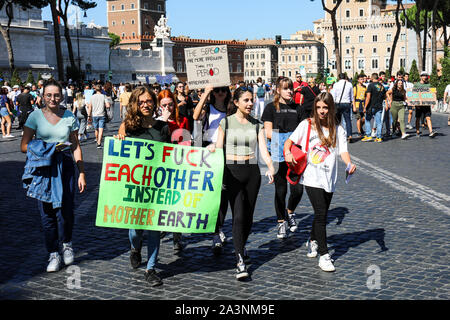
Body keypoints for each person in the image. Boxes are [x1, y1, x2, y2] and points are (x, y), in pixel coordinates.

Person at [284, 92, 356, 272]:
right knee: (322, 213)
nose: (322, 111)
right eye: (318, 108)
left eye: (325, 107)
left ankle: (312, 240)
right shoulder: (306, 125)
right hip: (311, 177)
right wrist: (288, 153)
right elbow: (288, 142)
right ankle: (324, 255)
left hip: (329, 178)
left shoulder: (337, 129)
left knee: (319, 215)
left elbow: (343, 151)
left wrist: (349, 164)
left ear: (331, 108)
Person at [20, 79, 86, 272]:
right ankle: (53, 253)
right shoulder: (34, 117)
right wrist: (49, 148)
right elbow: (24, 145)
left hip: (65, 166)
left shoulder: (69, 116)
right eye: (48, 95)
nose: (53, 98)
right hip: (43, 167)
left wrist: (81, 172)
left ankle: (66, 244)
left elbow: (76, 146)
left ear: (62, 96)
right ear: (42, 96)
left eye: (56, 95)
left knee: (66, 210)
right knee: (47, 213)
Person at [210, 87, 275, 280]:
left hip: (252, 172)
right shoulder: (226, 123)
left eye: (251, 100)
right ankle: (239, 260)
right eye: (246, 100)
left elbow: (263, 150)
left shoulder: (257, 124)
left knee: (248, 216)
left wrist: (271, 167)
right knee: (238, 215)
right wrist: (213, 148)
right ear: (236, 102)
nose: (250, 103)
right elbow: (219, 147)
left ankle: (241, 244)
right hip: (232, 172)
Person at [116, 86, 170, 287]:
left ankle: (151, 268)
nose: (146, 105)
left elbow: (169, 155)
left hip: (156, 185)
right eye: (141, 102)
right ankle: (135, 248)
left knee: (154, 227)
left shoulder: (162, 128)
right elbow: (120, 151)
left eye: (149, 101)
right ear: (135, 105)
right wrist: (119, 138)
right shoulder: (129, 127)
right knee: (136, 229)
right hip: (136, 185)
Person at [261, 77, 303, 239]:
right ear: (278, 90)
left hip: (294, 155)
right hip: (278, 154)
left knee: (298, 189)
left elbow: (302, 132)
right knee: (281, 190)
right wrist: (289, 139)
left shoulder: (297, 108)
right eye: (286, 88)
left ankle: (290, 212)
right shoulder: (270, 108)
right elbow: (268, 132)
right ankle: (281, 222)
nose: (290, 91)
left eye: (291, 88)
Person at [192, 85, 231, 252]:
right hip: (210, 152)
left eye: (223, 90)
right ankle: (215, 231)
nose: (220, 93)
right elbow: (195, 116)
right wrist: (206, 92)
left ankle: (219, 227)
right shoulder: (208, 109)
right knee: (212, 193)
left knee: (224, 194)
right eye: (217, 91)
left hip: (227, 152)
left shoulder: (232, 109)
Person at [362, 73, 386, 143]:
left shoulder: (370, 85)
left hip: (371, 106)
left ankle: (368, 135)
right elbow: (384, 96)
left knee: (367, 120)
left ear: (372, 78)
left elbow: (368, 97)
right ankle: (379, 137)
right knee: (378, 122)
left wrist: (365, 107)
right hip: (379, 106)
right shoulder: (381, 86)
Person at [331, 73, 354, 143]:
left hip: (338, 103)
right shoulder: (349, 84)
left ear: (339, 77)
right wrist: (351, 102)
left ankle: (336, 135)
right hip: (347, 103)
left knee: (337, 121)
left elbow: (333, 95)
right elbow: (352, 95)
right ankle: (349, 135)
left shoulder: (336, 84)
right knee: (348, 120)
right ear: (345, 77)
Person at [414, 72, 437, 138]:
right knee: (418, 119)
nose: (425, 77)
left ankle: (431, 132)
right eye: (423, 76)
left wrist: (434, 94)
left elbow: (432, 93)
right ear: (420, 77)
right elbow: (413, 94)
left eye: (426, 76)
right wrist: (415, 103)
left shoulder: (429, 85)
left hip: (426, 105)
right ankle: (417, 132)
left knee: (428, 118)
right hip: (418, 105)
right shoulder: (416, 85)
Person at [87, 84, 110, 148]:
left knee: (96, 129)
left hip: (94, 115)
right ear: (101, 89)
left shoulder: (92, 97)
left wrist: (89, 116)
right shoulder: (103, 96)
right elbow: (108, 105)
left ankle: (97, 140)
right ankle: (99, 142)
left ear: (95, 90)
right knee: (101, 129)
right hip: (102, 114)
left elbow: (90, 107)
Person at [353, 74, 367, 139]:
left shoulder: (365, 87)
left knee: (364, 119)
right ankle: (359, 132)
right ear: (358, 80)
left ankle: (360, 127)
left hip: (363, 104)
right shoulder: (355, 87)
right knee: (358, 118)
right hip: (357, 104)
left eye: (363, 79)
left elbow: (366, 96)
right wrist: (354, 106)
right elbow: (353, 97)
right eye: (361, 79)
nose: (362, 80)